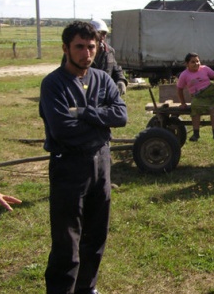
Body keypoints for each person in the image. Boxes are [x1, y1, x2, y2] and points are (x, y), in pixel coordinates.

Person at [39, 21, 128, 294]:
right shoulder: (53, 84)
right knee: (67, 240)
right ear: (66, 48)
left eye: (91, 47)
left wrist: (85, 113)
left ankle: (87, 287)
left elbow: (121, 116)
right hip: (69, 165)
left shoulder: (102, 79)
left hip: (101, 162)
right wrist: (101, 120)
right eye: (79, 47)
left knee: (96, 234)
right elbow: (63, 129)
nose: (86, 53)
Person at [61, 18, 128, 95]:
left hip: (104, 92)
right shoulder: (72, 52)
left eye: (104, 34)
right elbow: (66, 71)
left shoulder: (109, 51)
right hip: (82, 91)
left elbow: (116, 68)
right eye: (100, 33)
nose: (103, 37)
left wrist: (121, 80)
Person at [177, 52, 214, 144]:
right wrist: (183, 103)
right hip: (197, 97)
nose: (196, 64)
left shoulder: (205, 69)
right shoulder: (184, 75)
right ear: (187, 64)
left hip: (210, 95)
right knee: (195, 107)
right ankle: (196, 134)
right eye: (193, 62)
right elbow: (179, 89)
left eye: (198, 61)